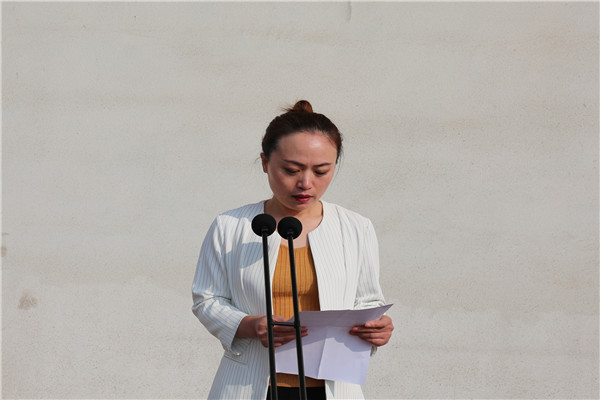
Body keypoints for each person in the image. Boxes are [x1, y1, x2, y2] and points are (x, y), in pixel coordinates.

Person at [192, 100, 394, 400]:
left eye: (322, 171)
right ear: (265, 162)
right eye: (291, 170)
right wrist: (249, 325)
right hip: (249, 386)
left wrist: (378, 329)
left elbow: (368, 301)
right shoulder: (230, 226)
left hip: (333, 388)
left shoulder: (355, 227)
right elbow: (206, 299)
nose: (306, 183)